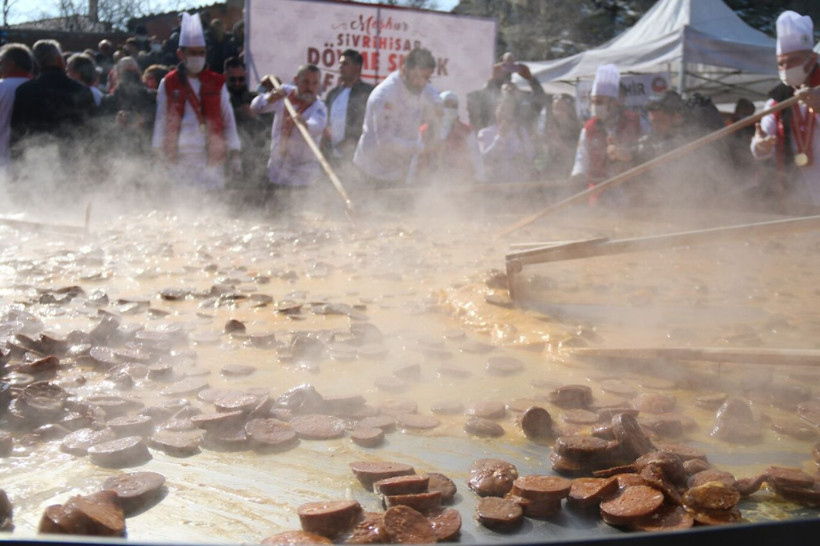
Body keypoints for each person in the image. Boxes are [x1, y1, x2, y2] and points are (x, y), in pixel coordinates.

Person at [152, 12, 241, 191]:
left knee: (212, 203)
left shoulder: (217, 82)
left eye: (201, 52)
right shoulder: (168, 83)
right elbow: (161, 120)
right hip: (178, 158)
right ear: (181, 54)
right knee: (181, 204)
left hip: (211, 158)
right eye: (193, 53)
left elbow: (228, 119)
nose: (198, 57)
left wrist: (235, 153)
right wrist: (157, 155)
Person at [751, 10, 820, 206]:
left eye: (793, 61)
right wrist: (760, 145)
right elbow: (760, 145)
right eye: (781, 63)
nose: (786, 68)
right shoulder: (778, 99)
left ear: (812, 59)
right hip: (796, 196)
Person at [354, 47, 441, 185]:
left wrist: (439, 109)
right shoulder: (384, 97)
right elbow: (385, 142)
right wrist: (423, 148)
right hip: (371, 172)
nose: (422, 83)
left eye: (427, 78)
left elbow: (435, 98)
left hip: (399, 172)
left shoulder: (422, 86)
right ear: (404, 70)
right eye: (418, 77)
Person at [10, 40, 96, 163]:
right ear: (60, 60)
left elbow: (17, 131)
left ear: (36, 63)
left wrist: (16, 161)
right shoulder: (80, 90)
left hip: (36, 158)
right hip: (73, 157)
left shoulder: (24, 90)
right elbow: (92, 128)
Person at [569, 64, 640, 202]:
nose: (595, 106)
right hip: (599, 194)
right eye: (593, 102)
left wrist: (629, 154)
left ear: (614, 102)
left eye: (600, 102)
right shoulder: (588, 129)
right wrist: (577, 176)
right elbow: (581, 160)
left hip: (631, 193)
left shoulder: (635, 122)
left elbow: (648, 152)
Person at [250, 64, 327, 188]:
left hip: (304, 176)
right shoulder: (284, 93)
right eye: (305, 82)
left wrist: (305, 124)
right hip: (276, 170)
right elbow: (255, 107)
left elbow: (318, 126)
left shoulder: (319, 106)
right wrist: (269, 98)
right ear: (296, 80)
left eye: (314, 83)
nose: (310, 87)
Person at [467, 52, 546, 133]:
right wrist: (491, 80)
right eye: (506, 88)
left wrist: (531, 79)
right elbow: (473, 103)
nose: (509, 90)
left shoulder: (522, 118)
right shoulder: (488, 126)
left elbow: (539, 102)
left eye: (512, 88)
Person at [322, 49, 374, 166]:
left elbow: (371, 122)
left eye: (345, 64)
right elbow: (325, 121)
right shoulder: (333, 94)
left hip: (356, 157)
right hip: (332, 156)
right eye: (340, 64)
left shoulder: (367, 93)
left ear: (357, 67)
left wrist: (354, 138)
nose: (340, 67)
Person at [224, 56, 268, 188]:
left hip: (253, 155)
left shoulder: (254, 97)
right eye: (233, 79)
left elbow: (267, 127)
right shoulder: (221, 96)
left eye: (241, 79)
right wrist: (237, 112)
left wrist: (254, 117)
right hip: (228, 153)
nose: (237, 83)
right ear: (225, 77)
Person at [478, 97, 535, 182]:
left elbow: (530, 155)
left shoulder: (520, 131)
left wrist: (521, 156)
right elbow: (485, 159)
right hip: (496, 184)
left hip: (520, 183)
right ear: (495, 110)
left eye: (509, 110)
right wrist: (500, 136)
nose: (505, 114)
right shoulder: (485, 133)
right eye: (502, 109)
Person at [0, 43, 33, 174]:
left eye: (1, 63)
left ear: (10, 64)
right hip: (32, 161)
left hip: (3, 159)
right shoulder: (37, 87)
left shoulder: (2, 87)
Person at [541, 94, 580, 179]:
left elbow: (575, 157)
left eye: (561, 109)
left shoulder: (576, 131)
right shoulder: (550, 127)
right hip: (550, 173)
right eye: (555, 109)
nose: (558, 112)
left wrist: (558, 142)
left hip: (568, 173)